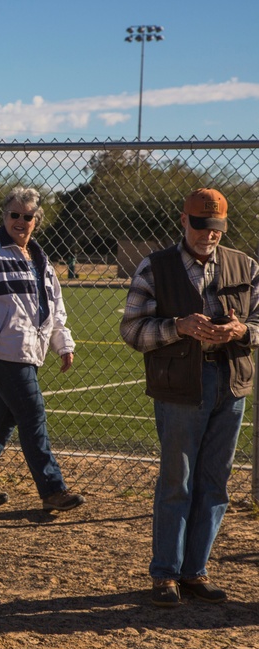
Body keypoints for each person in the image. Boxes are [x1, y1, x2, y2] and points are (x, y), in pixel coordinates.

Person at [120, 187, 259, 607]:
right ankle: (165, 574)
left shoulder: (246, 265)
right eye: (199, 225)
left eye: (214, 227)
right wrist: (177, 327)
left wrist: (241, 331)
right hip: (181, 386)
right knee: (177, 482)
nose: (207, 235)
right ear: (183, 221)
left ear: (224, 226)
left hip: (231, 383)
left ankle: (195, 572)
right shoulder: (155, 267)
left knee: (215, 483)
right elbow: (131, 329)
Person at [0, 187, 84, 512]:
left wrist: (62, 344)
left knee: (4, 416)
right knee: (32, 414)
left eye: (28, 216)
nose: (21, 221)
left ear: (36, 220)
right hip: (1, 351)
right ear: (4, 216)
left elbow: (54, 308)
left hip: (28, 351)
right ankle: (53, 489)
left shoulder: (40, 259)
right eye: (15, 215)